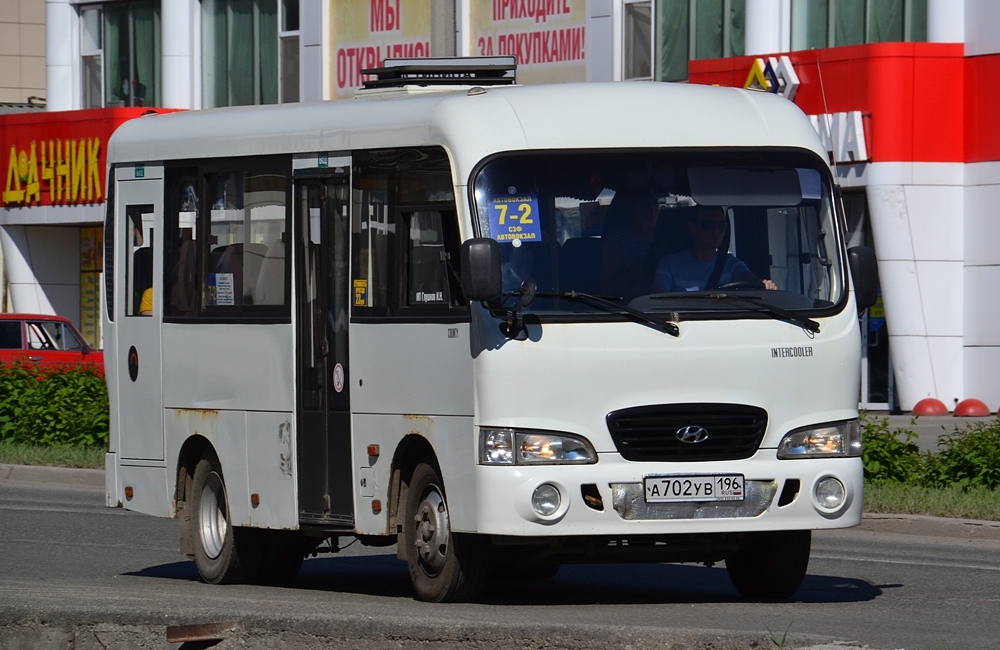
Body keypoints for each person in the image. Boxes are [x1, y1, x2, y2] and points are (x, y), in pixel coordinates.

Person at [652, 206, 777, 292]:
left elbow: (748, 278)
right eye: (708, 225)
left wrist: (763, 284)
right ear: (692, 228)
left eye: (721, 226)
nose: (715, 231)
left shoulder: (731, 264)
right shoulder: (669, 264)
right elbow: (657, 301)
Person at [600, 192, 659, 301]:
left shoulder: (667, 234)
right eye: (645, 205)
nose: (652, 210)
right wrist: (645, 266)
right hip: (628, 308)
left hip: (670, 304)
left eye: (655, 204)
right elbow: (606, 288)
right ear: (633, 208)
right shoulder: (617, 238)